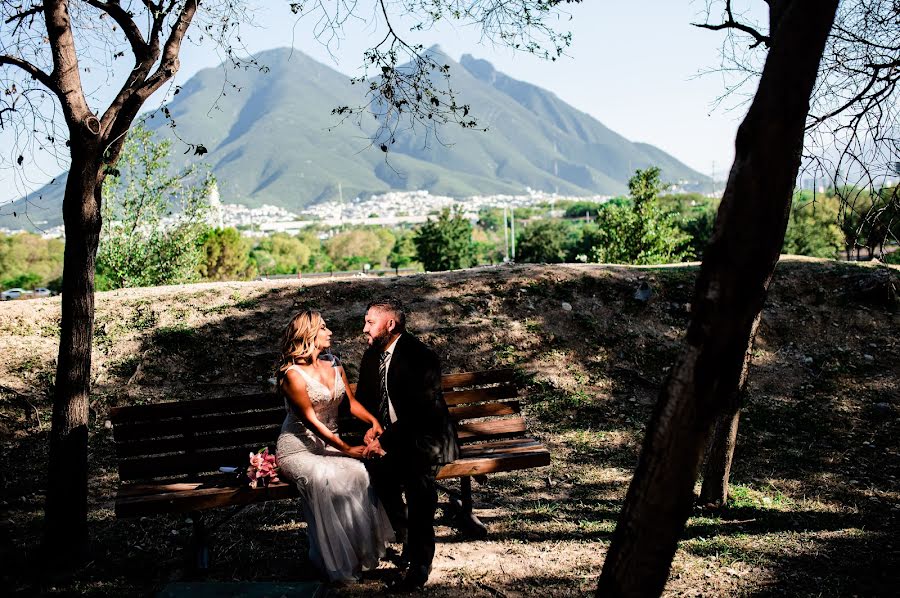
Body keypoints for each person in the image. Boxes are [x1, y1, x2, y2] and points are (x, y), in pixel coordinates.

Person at [275, 310, 394, 582]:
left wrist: (373, 421)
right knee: (325, 477)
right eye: (324, 328)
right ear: (309, 335)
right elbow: (313, 422)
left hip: (330, 443)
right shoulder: (291, 374)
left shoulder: (334, 362)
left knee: (358, 473)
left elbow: (350, 404)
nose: (330, 333)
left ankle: (357, 552)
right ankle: (333, 560)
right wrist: (346, 448)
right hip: (298, 448)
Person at [356, 297, 459, 590]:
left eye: (370, 322)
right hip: (393, 438)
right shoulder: (371, 356)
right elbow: (365, 401)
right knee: (373, 470)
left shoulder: (420, 356)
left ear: (391, 324)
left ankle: (420, 562)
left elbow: (420, 413)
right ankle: (404, 531)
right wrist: (371, 431)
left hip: (426, 437)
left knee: (419, 481)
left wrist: (384, 440)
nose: (364, 328)